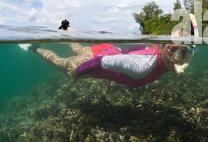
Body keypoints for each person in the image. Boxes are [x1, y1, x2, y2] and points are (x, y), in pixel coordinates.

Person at [31, 42, 193, 88]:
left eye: (177, 50)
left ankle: (65, 31)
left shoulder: (155, 52)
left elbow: (132, 51)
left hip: (106, 49)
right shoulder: (143, 67)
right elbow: (101, 62)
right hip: (96, 59)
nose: (170, 47)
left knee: (80, 48)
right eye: (170, 45)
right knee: (61, 64)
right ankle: (35, 48)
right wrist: (78, 72)